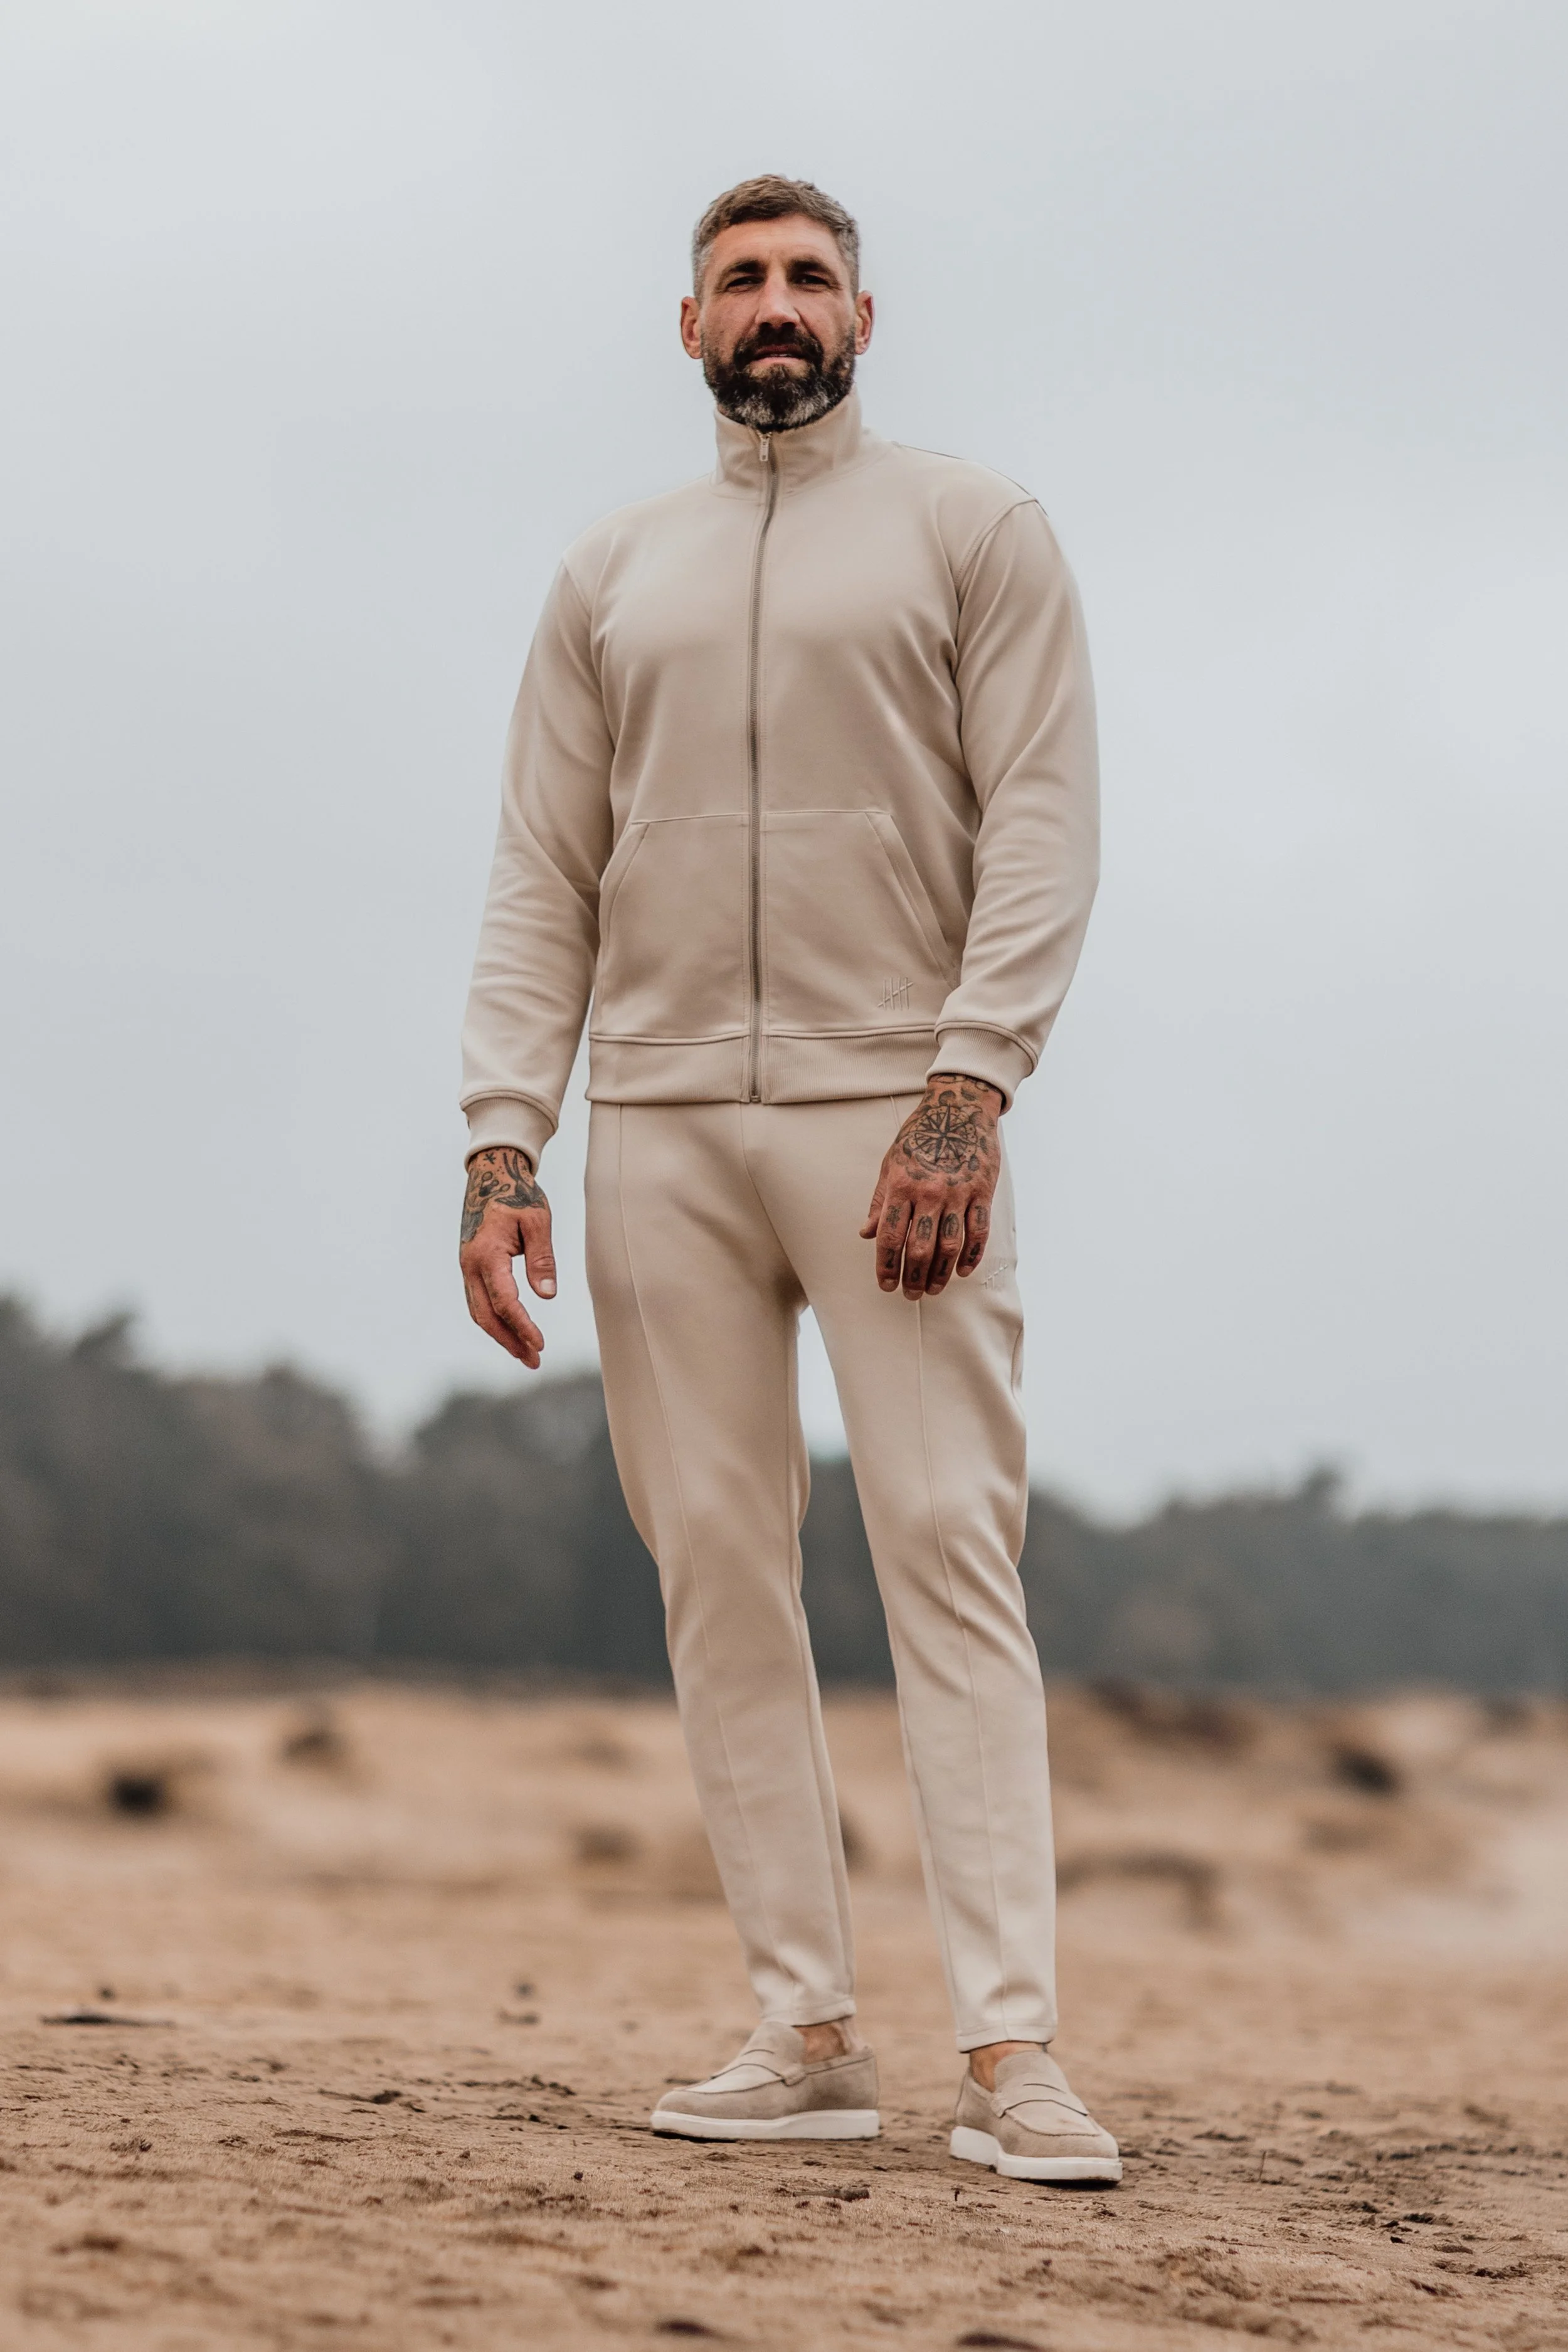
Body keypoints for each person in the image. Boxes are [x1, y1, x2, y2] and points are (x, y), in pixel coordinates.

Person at [458, 175, 1118, 2185]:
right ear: (686, 328)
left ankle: (1013, 2055)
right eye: (739, 280)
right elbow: (536, 874)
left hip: (888, 1119)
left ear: (860, 318)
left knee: (942, 1549)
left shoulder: (968, 531)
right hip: (653, 1126)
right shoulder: (608, 576)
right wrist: (505, 1135)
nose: (775, 307)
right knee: (720, 1571)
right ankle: (803, 2025)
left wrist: (963, 1092)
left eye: (807, 279)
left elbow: (1043, 821)